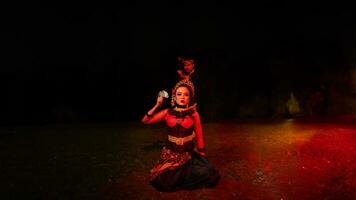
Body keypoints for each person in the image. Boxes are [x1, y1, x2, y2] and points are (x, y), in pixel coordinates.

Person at [142, 79, 220, 192]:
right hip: (171, 155)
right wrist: (157, 105)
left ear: (190, 97)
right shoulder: (167, 113)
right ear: (174, 97)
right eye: (179, 94)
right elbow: (145, 121)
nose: (182, 97)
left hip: (187, 155)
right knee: (164, 184)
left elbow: (199, 135)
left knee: (210, 173)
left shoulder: (194, 114)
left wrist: (202, 153)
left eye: (186, 94)